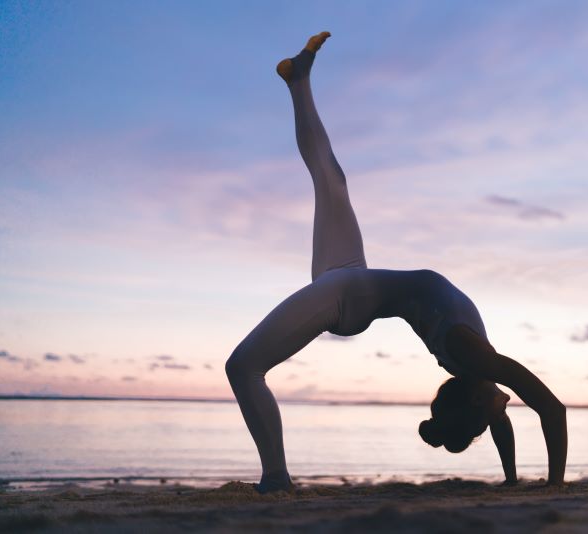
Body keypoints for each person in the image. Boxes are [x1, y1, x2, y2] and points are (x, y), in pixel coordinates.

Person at [225, 32, 568, 494]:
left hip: (347, 301)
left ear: (477, 402)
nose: (500, 411)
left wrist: (515, 480)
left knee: (243, 368)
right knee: (331, 179)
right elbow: (551, 407)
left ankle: (276, 479)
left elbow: (511, 416)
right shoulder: (476, 361)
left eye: (489, 419)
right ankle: (298, 80)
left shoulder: (475, 365)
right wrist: (554, 486)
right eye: (491, 418)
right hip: (350, 276)